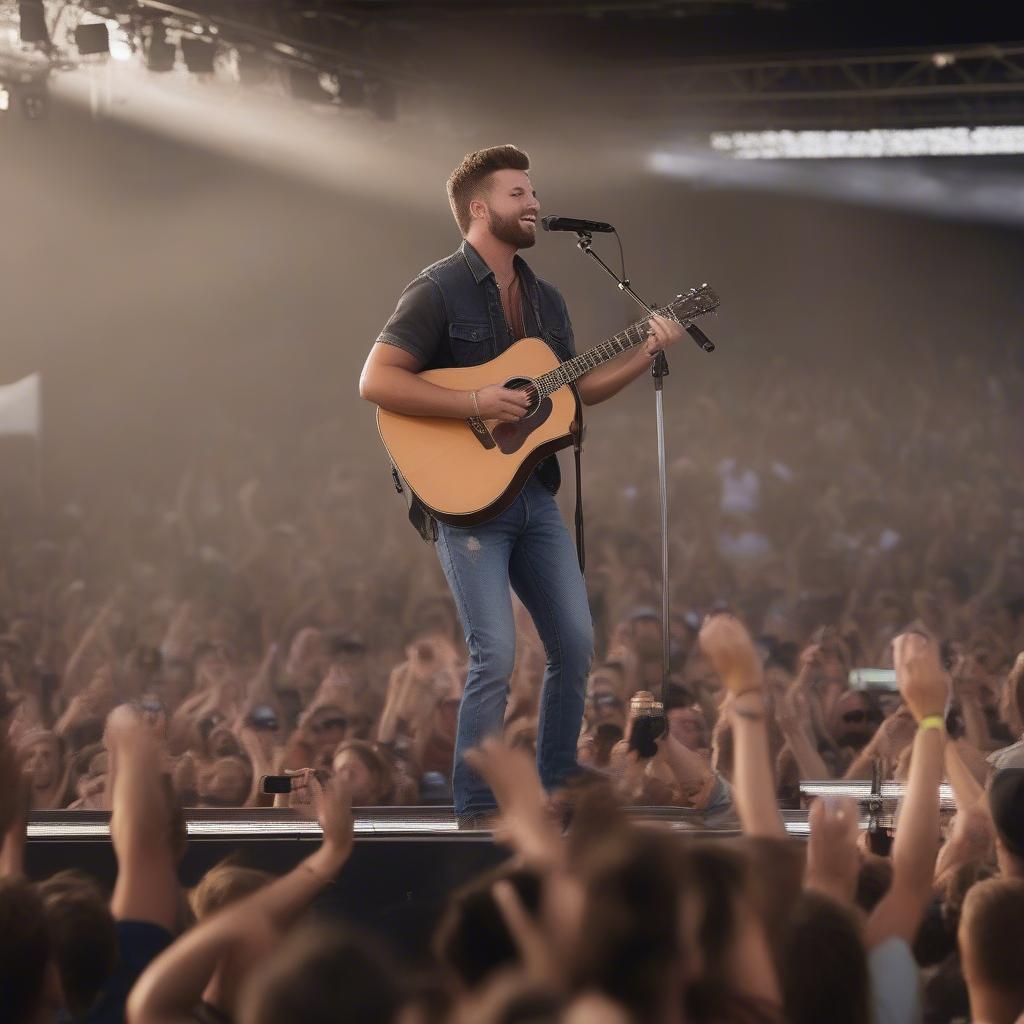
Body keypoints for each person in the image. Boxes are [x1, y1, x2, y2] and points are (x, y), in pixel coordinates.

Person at [360, 145, 686, 824]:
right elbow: (378, 381)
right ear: (479, 208)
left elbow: (573, 389)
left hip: (532, 492)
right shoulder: (439, 287)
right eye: (518, 194)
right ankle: (477, 805)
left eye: (533, 193)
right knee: (497, 653)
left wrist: (643, 352)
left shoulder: (545, 298)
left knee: (574, 642)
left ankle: (559, 780)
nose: (534, 203)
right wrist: (477, 402)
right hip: (466, 502)